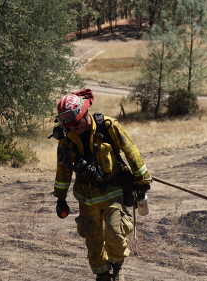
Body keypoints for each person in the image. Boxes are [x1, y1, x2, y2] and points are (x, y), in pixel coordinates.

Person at [52, 89, 151, 281]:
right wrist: (61, 198)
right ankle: (102, 275)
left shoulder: (107, 126)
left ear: (84, 114)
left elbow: (131, 151)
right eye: (69, 126)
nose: (74, 128)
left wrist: (142, 181)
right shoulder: (66, 140)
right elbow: (62, 170)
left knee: (115, 233)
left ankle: (116, 268)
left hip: (113, 191)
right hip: (87, 198)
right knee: (94, 243)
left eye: (77, 123)